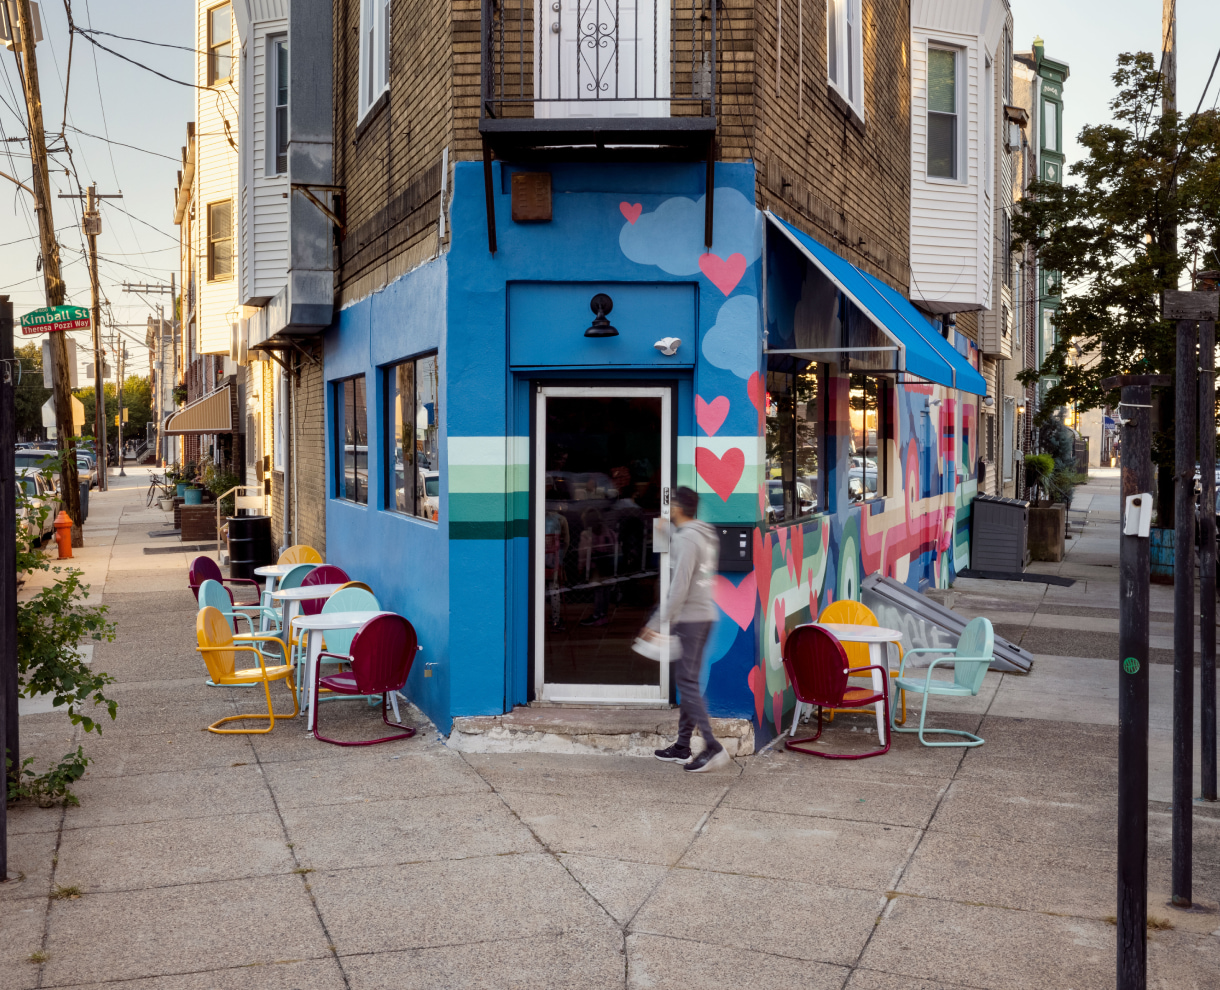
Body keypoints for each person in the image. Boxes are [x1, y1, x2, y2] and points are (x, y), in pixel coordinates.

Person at [641, 486, 730, 773]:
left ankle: (712, 746)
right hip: (703, 615)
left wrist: (656, 623)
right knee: (688, 679)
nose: (669, 509)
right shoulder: (702, 533)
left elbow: (679, 586)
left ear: (678, 507)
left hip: (691, 619)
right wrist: (667, 533)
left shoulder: (687, 539)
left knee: (688, 683)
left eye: (672, 504)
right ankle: (681, 746)